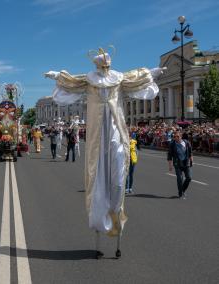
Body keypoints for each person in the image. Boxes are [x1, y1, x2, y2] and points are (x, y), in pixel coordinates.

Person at [45, 47, 165, 236]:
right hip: (97, 129)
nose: (105, 67)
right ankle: (99, 216)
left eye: (107, 64)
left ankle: (116, 212)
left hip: (115, 124)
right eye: (103, 64)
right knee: (97, 171)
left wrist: (153, 72)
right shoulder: (89, 78)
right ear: (97, 65)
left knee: (117, 172)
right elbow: (71, 81)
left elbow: (135, 78)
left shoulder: (118, 77)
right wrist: (56, 75)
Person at [167, 130, 193, 199]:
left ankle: (183, 190)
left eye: (177, 136)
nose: (176, 138)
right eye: (174, 137)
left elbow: (190, 152)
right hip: (177, 163)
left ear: (181, 137)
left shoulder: (187, 143)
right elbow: (169, 155)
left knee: (189, 178)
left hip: (186, 162)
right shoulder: (172, 144)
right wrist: (170, 165)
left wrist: (191, 160)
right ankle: (180, 193)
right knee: (179, 178)